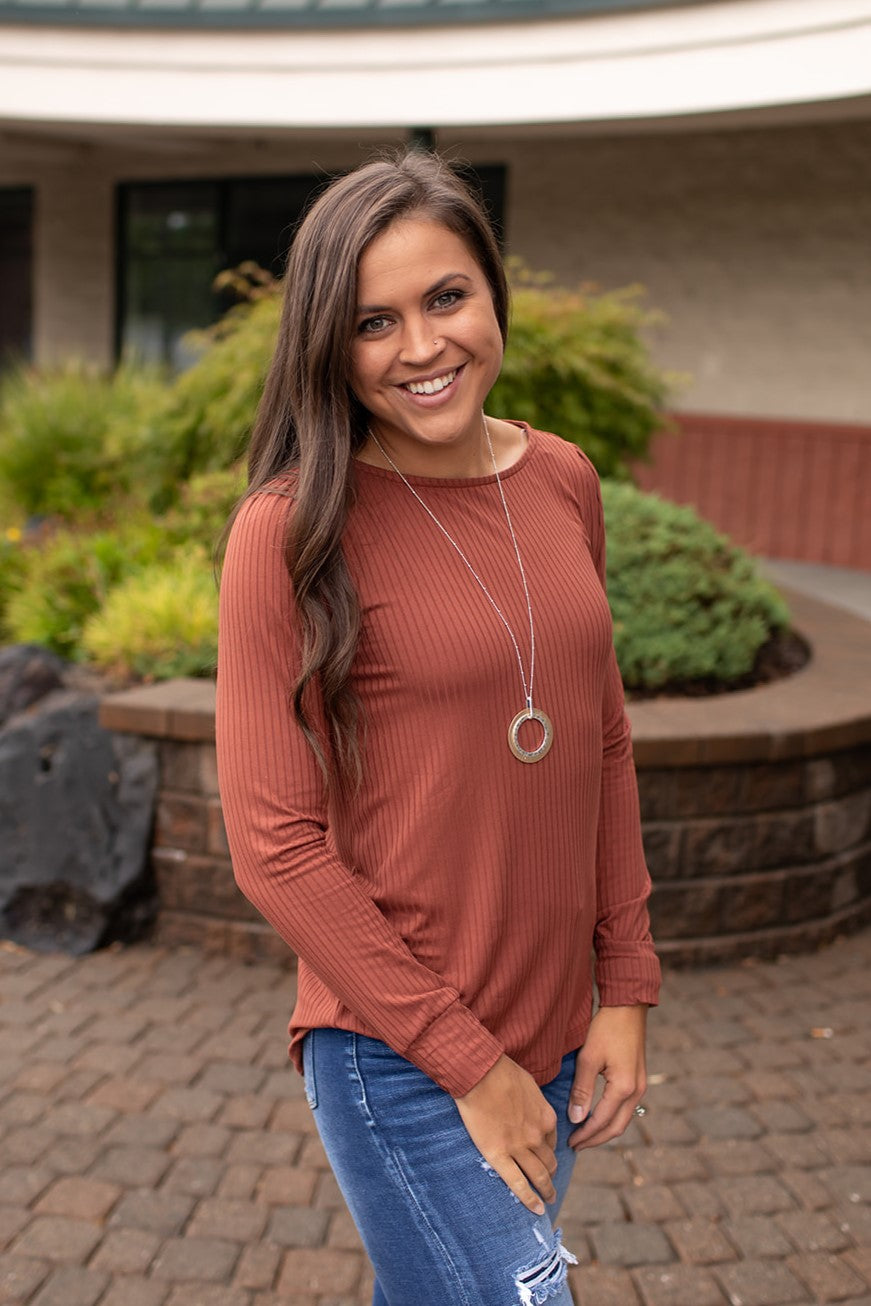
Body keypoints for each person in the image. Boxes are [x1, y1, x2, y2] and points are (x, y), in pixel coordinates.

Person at [215, 149, 660, 1306]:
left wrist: (623, 985)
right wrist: (469, 1064)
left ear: (492, 294)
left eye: (446, 297)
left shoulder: (561, 480)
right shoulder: (288, 531)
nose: (421, 346)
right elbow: (273, 846)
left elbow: (599, 742)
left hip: (552, 1030)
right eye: (374, 322)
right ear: (329, 345)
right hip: (400, 1050)